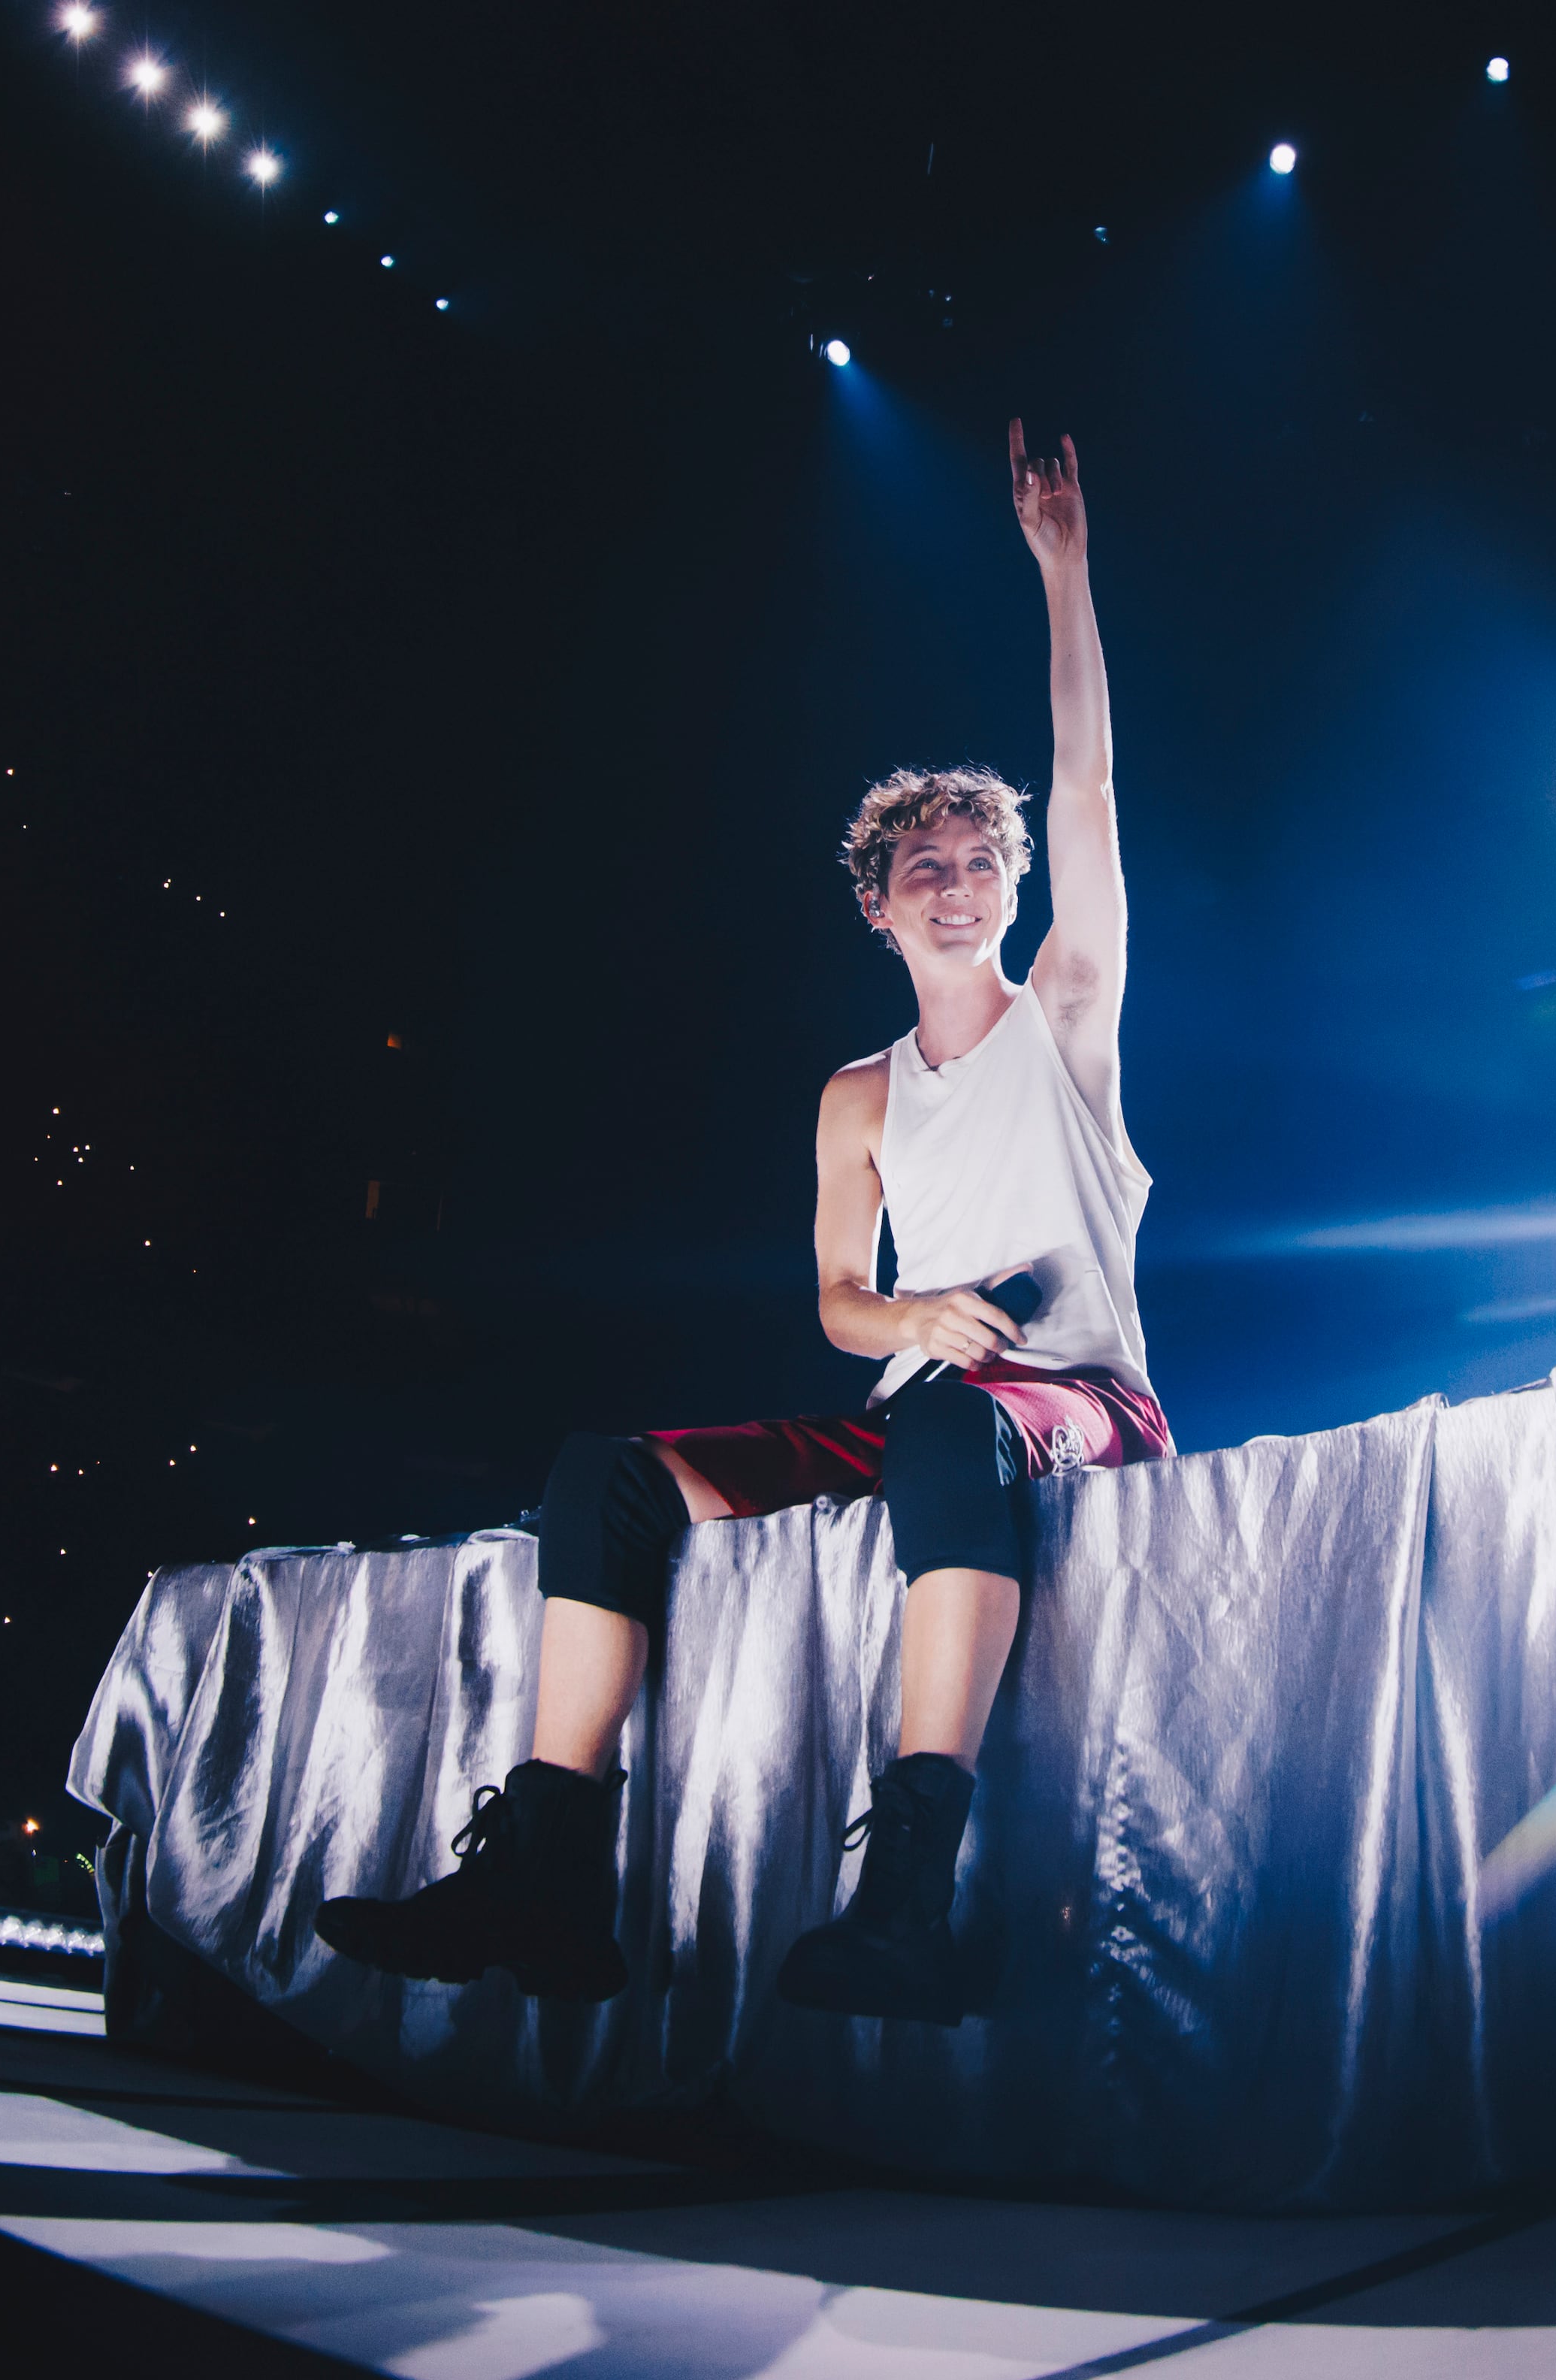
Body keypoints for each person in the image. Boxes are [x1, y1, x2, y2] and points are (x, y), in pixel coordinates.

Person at [315, 421, 1168, 2025]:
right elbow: (844, 1297)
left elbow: (1090, 780)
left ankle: (910, 1891)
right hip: (927, 1403)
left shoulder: (1066, 1011)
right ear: (877, 900)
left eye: (985, 861)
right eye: (929, 863)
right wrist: (912, 1321)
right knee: (607, 1477)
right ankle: (549, 1871)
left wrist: (1062, 569)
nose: (963, 880)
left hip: (1077, 1405)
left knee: (954, 1435)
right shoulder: (856, 1094)